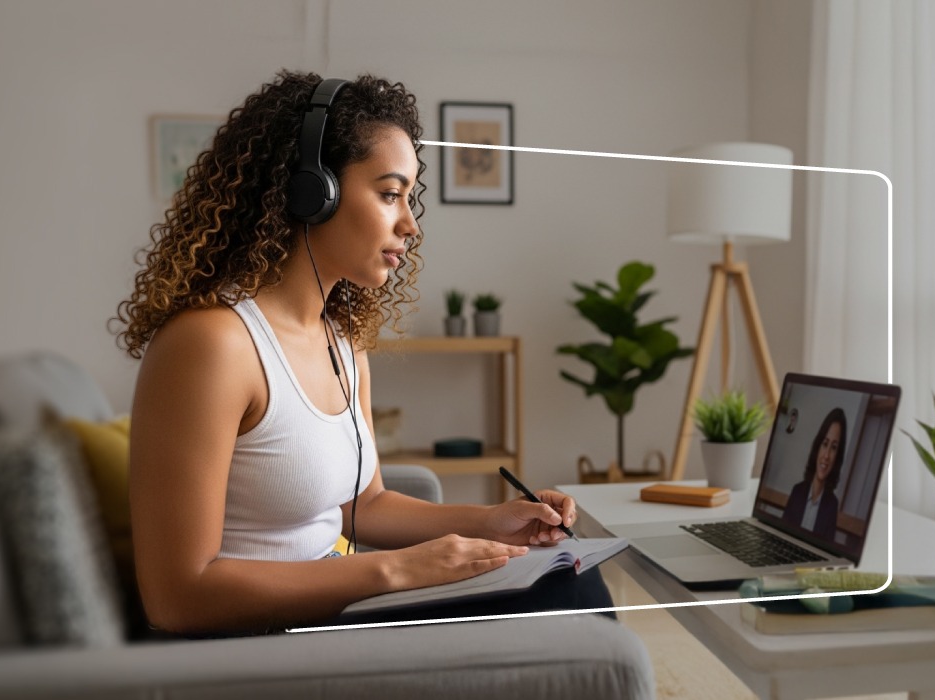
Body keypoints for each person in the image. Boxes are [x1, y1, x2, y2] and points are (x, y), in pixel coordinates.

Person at [114, 71, 609, 637]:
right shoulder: (211, 345)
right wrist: (398, 570)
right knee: (567, 591)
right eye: (390, 193)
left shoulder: (341, 341)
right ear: (310, 190)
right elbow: (178, 597)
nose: (411, 224)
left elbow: (363, 506)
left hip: (335, 606)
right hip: (260, 639)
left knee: (567, 574)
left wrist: (493, 522)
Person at [782, 407, 848, 537]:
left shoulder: (832, 505)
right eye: (825, 444)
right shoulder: (797, 491)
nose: (827, 455)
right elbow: (781, 535)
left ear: (837, 457)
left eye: (834, 448)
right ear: (818, 447)